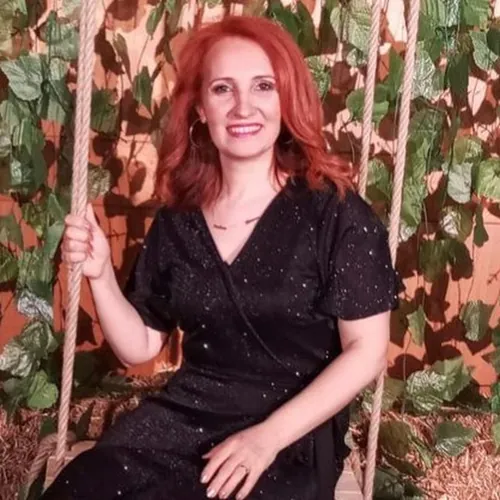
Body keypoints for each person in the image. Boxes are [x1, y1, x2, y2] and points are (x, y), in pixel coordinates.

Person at [43, 15, 399, 500]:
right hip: (186, 414)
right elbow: (140, 347)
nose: (243, 106)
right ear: (200, 109)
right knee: (84, 484)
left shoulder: (335, 213)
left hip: (290, 434)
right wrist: (101, 274)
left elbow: (367, 351)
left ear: (285, 100)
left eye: (263, 86)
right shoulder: (179, 220)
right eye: (222, 89)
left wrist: (265, 439)